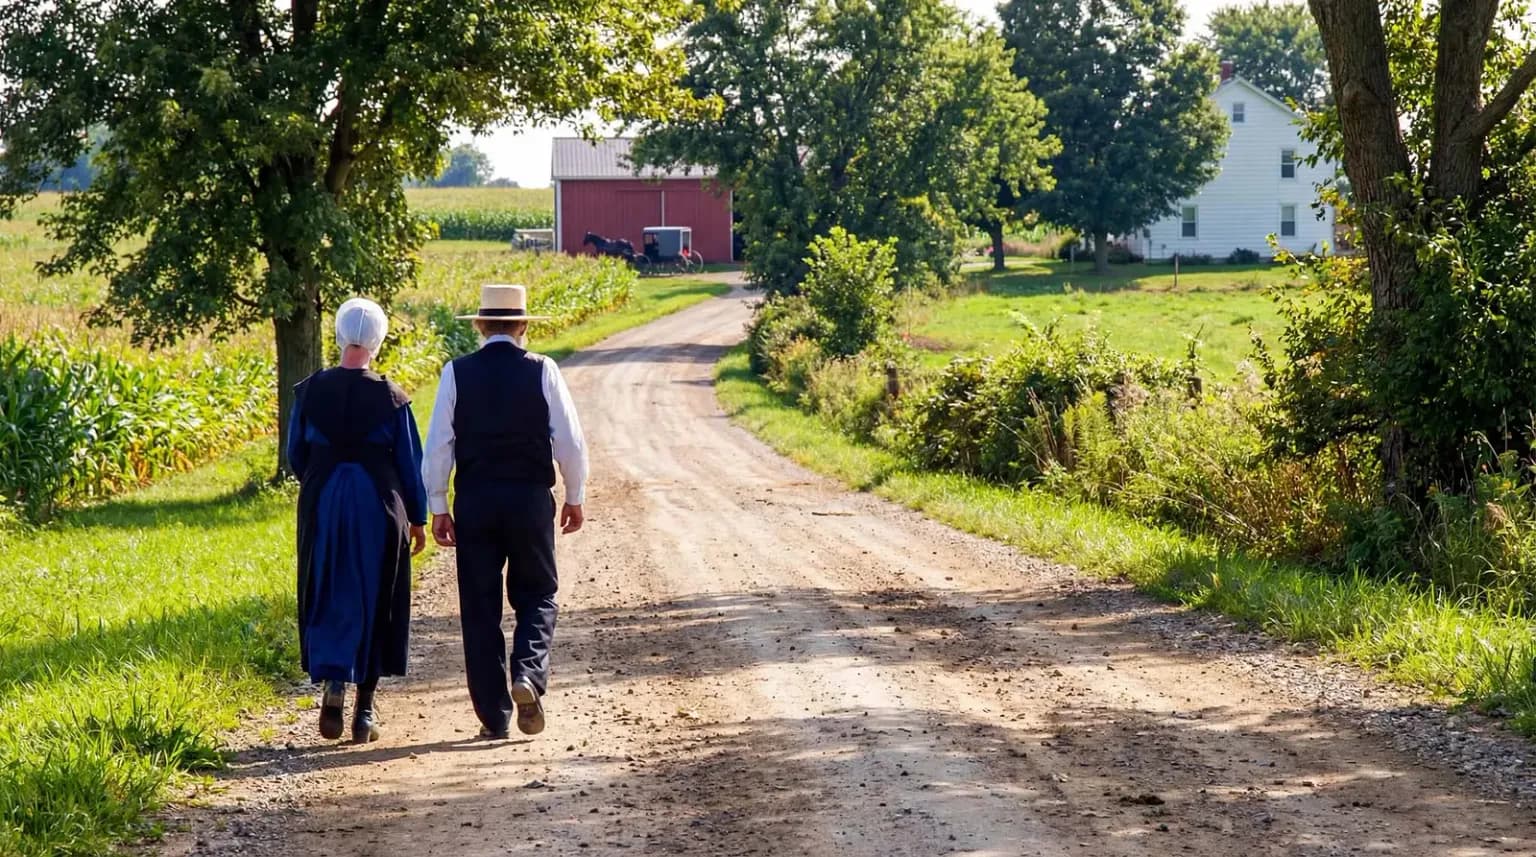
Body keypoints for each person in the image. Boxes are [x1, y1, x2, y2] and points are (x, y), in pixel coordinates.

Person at [422, 283, 588, 738]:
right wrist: (574, 494)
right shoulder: (543, 370)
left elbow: (439, 445)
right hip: (530, 498)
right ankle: (528, 675)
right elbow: (570, 442)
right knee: (537, 595)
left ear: (479, 326)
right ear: (521, 327)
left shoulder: (456, 373)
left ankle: (493, 715)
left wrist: (438, 503)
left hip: (476, 499)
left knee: (479, 607)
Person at [289, 298, 428, 744]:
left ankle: (333, 680)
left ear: (337, 333)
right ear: (378, 341)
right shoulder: (392, 397)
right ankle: (365, 711)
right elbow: (411, 464)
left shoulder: (309, 391)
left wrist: (320, 477)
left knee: (327, 584)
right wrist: (419, 517)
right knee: (376, 593)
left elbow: (296, 454)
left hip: (324, 496)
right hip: (377, 502)